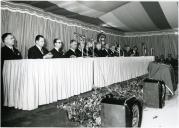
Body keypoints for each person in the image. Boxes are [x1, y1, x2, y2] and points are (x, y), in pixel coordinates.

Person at [1, 33, 22, 106]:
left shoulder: (17, 51)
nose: (14, 39)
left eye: (13, 38)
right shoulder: (2, 51)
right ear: (5, 40)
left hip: (17, 75)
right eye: (11, 38)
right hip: (7, 76)